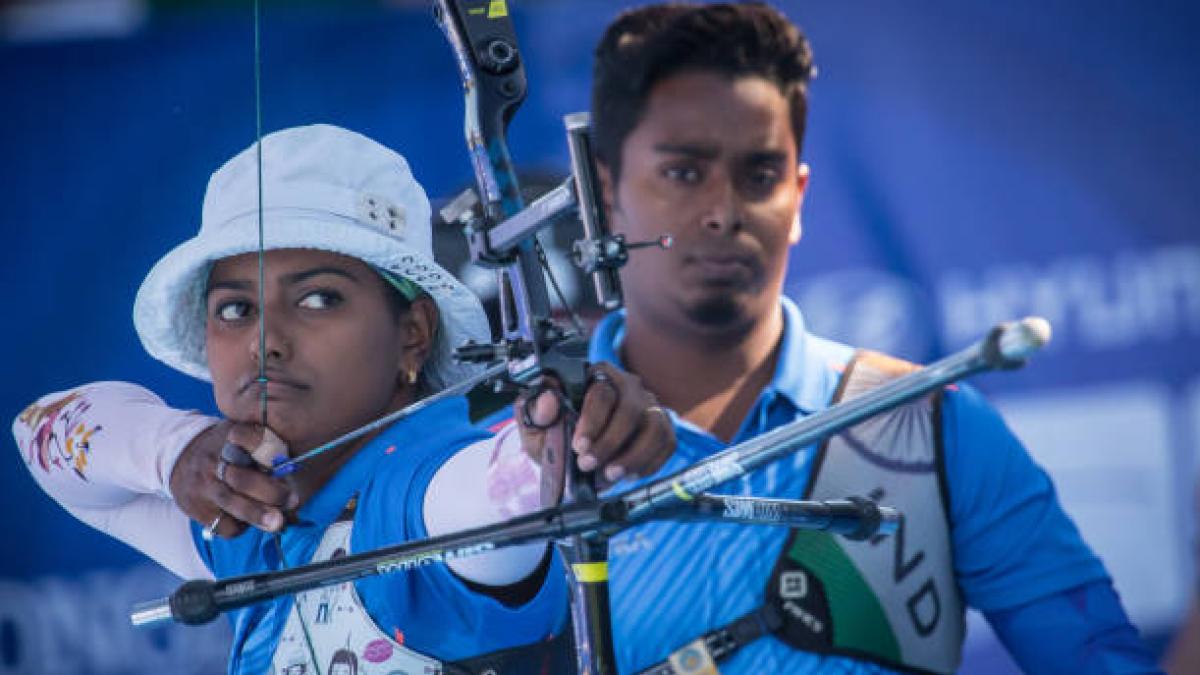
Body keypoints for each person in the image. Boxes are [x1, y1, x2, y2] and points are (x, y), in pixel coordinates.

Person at [15, 3, 1162, 674]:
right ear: (602, 195)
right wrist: (177, 448)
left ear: (803, 193)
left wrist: (548, 453)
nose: (720, 210)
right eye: (680, 171)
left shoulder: (930, 427)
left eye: (759, 174)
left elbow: (1096, 661)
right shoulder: (387, 471)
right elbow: (492, 481)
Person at [14, 123, 673, 675]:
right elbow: (37, 433)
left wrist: (565, 438)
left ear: (413, 334)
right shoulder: (247, 518)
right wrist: (176, 451)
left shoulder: (423, 480)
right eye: (236, 308)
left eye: (319, 298)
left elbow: (500, 490)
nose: (265, 343)